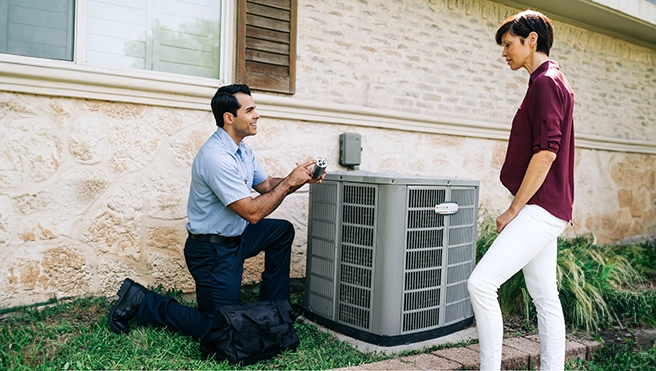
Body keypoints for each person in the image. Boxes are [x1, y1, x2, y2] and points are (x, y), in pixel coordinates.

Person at [107, 84, 325, 339]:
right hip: (212, 252)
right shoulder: (216, 157)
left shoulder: (242, 149)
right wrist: (288, 183)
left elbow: (266, 185)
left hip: (238, 238)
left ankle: (276, 310)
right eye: (250, 110)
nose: (257, 115)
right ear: (229, 117)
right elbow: (252, 213)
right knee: (219, 328)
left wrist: (297, 178)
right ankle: (140, 300)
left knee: (281, 231)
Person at [467, 10, 575, 371]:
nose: (504, 53)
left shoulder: (546, 82)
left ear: (532, 40)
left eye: (509, 44)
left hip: (540, 208)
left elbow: (546, 152)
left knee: (481, 284)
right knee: (545, 296)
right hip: (549, 206)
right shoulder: (547, 79)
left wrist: (513, 210)